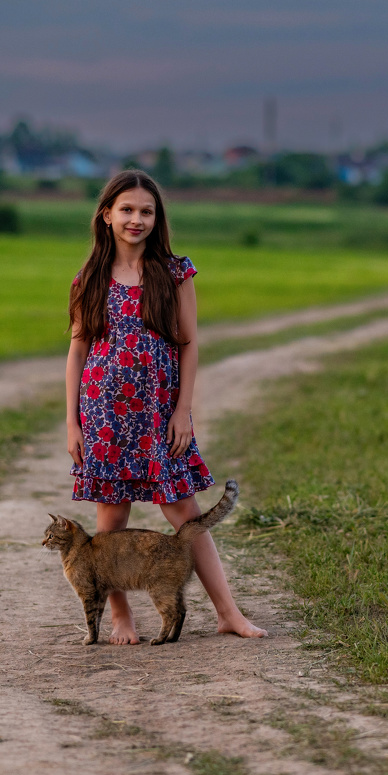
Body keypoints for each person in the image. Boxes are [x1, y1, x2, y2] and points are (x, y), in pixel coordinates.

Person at [65, 169, 267, 644]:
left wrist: (182, 411)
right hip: (104, 416)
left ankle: (228, 613)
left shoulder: (175, 273)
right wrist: (72, 421)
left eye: (147, 211)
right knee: (110, 524)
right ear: (106, 215)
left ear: (158, 218)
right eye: (127, 209)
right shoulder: (89, 278)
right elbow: (77, 350)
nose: (137, 219)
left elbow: (189, 344)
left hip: (158, 416)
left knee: (187, 517)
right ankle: (121, 619)